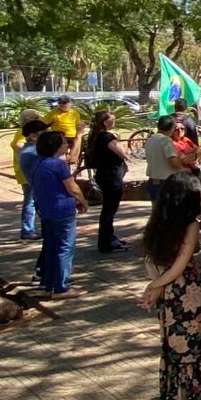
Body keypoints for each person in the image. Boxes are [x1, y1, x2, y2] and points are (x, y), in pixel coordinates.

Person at [138, 172, 201, 400]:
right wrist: (154, 286)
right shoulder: (191, 224)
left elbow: (150, 259)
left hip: (168, 290)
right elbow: (181, 264)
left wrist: (156, 285)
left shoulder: (158, 222)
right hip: (187, 289)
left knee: (175, 343)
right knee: (193, 344)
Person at [31, 129, 87, 296]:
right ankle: (61, 287)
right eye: (63, 142)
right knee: (65, 248)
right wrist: (82, 200)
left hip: (46, 210)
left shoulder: (38, 163)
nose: (66, 145)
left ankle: (48, 284)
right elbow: (72, 187)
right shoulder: (58, 164)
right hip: (62, 211)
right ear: (55, 146)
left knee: (51, 247)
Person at [85, 109, 131, 253]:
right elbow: (123, 154)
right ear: (105, 122)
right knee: (109, 210)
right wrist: (125, 149)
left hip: (104, 175)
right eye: (112, 119)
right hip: (111, 177)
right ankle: (107, 241)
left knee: (108, 209)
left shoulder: (96, 137)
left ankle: (108, 237)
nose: (114, 121)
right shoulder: (107, 137)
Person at [12, 116, 47, 240]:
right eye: (37, 117)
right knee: (30, 201)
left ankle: (31, 229)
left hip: (27, 172)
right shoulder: (25, 138)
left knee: (32, 201)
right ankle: (27, 229)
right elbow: (17, 145)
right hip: (28, 174)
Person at [145, 114, 185, 203]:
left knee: (156, 209)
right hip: (166, 182)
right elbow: (173, 161)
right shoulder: (166, 140)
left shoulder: (150, 140)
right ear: (171, 128)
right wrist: (184, 171)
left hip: (153, 181)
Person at [45, 95, 83, 166]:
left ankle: (72, 160)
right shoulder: (53, 113)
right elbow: (43, 123)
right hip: (59, 137)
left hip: (72, 137)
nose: (62, 104)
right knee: (62, 157)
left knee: (78, 140)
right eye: (60, 103)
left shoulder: (75, 113)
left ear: (69, 103)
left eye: (64, 103)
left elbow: (78, 125)